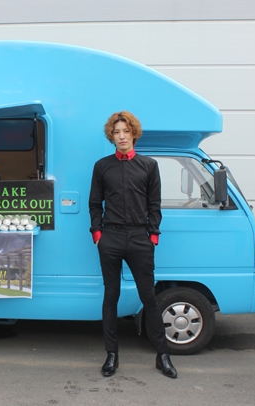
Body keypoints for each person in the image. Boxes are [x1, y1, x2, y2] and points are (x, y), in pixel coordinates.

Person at [88, 111, 177, 379]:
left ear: (133, 134)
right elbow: (95, 204)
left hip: (140, 238)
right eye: (117, 132)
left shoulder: (149, 166)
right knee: (111, 296)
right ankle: (111, 355)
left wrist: (153, 236)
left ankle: (163, 356)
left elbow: (154, 205)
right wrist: (98, 235)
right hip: (111, 238)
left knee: (148, 296)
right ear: (111, 136)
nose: (122, 136)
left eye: (126, 131)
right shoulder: (102, 166)